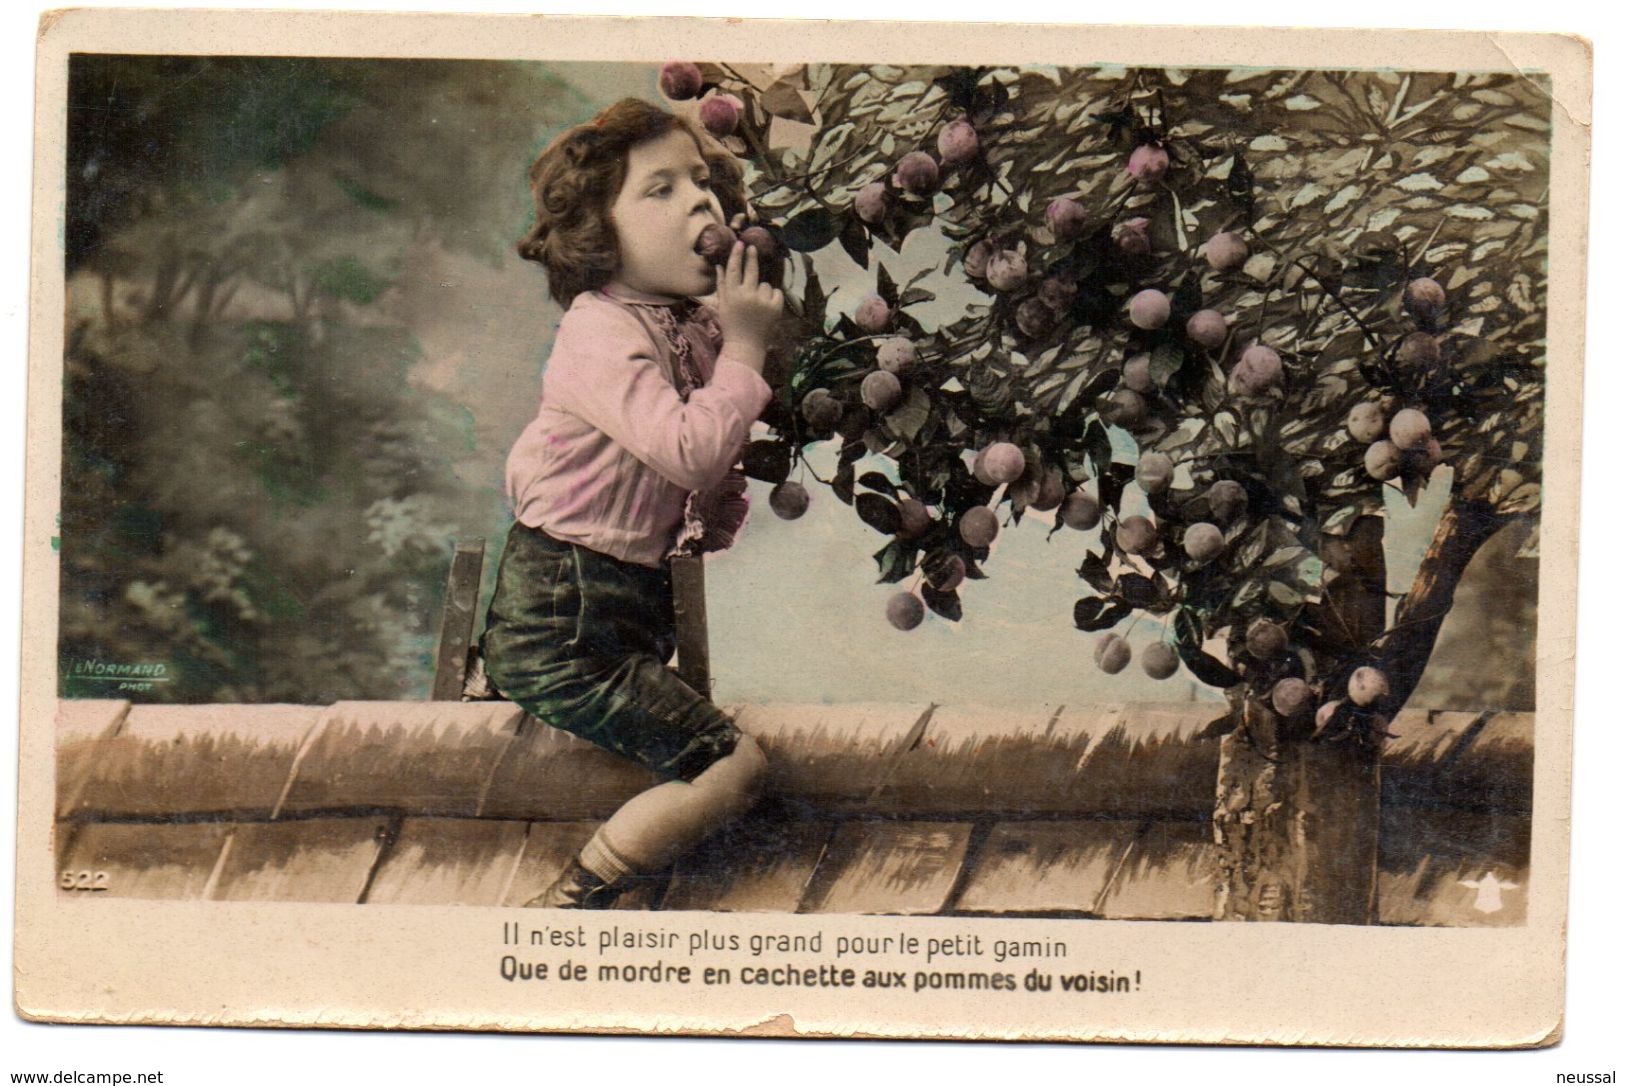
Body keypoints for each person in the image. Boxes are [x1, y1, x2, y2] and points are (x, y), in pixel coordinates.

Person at [478, 97, 783, 909]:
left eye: (702, 183)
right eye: (660, 189)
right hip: (563, 620)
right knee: (734, 767)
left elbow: (706, 453)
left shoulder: (686, 323)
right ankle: (581, 895)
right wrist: (746, 347)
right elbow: (687, 446)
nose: (700, 202)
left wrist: (742, 343)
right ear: (597, 234)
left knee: (691, 746)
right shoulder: (598, 332)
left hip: (617, 606)